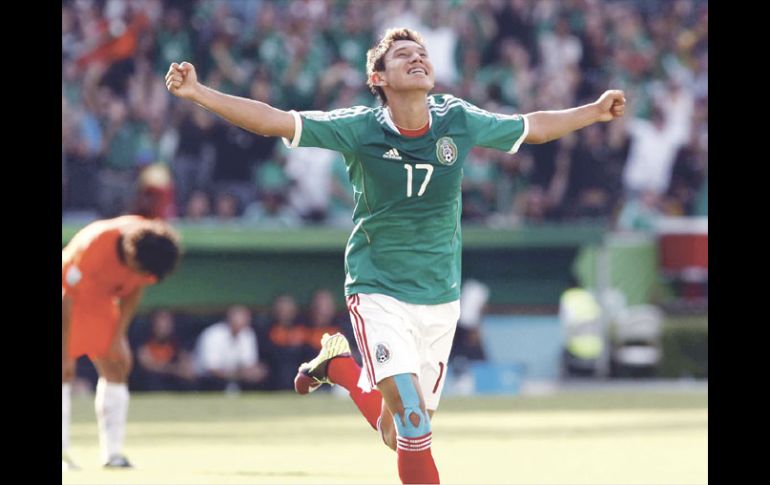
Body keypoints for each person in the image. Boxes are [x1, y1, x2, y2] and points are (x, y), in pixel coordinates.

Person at [165, 27, 625, 484]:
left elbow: (533, 128)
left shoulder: (456, 119)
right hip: (378, 290)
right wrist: (198, 92)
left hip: (440, 298)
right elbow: (273, 120)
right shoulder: (360, 128)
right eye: (403, 54)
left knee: (397, 431)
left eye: (421, 53)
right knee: (414, 424)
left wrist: (594, 111)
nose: (417, 58)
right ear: (378, 78)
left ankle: (341, 368)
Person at [62, 215, 181, 470]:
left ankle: (113, 455)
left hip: (100, 304)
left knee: (118, 365)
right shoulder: (93, 248)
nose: (139, 275)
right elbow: (66, 298)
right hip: (67, 301)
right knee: (63, 371)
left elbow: (135, 290)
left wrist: (117, 337)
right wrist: (64, 351)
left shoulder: (148, 251)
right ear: (130, 255)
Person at [193, 305, 268, 392]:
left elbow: (248, 364)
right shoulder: (213, 334)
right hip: (208, 379)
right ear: (229, 318)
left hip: (235, 376)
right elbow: (211, 369)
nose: (243, 322)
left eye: (246, 318)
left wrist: (255, 371)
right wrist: (236, 374)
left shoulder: (248, 334)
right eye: (239, 318)